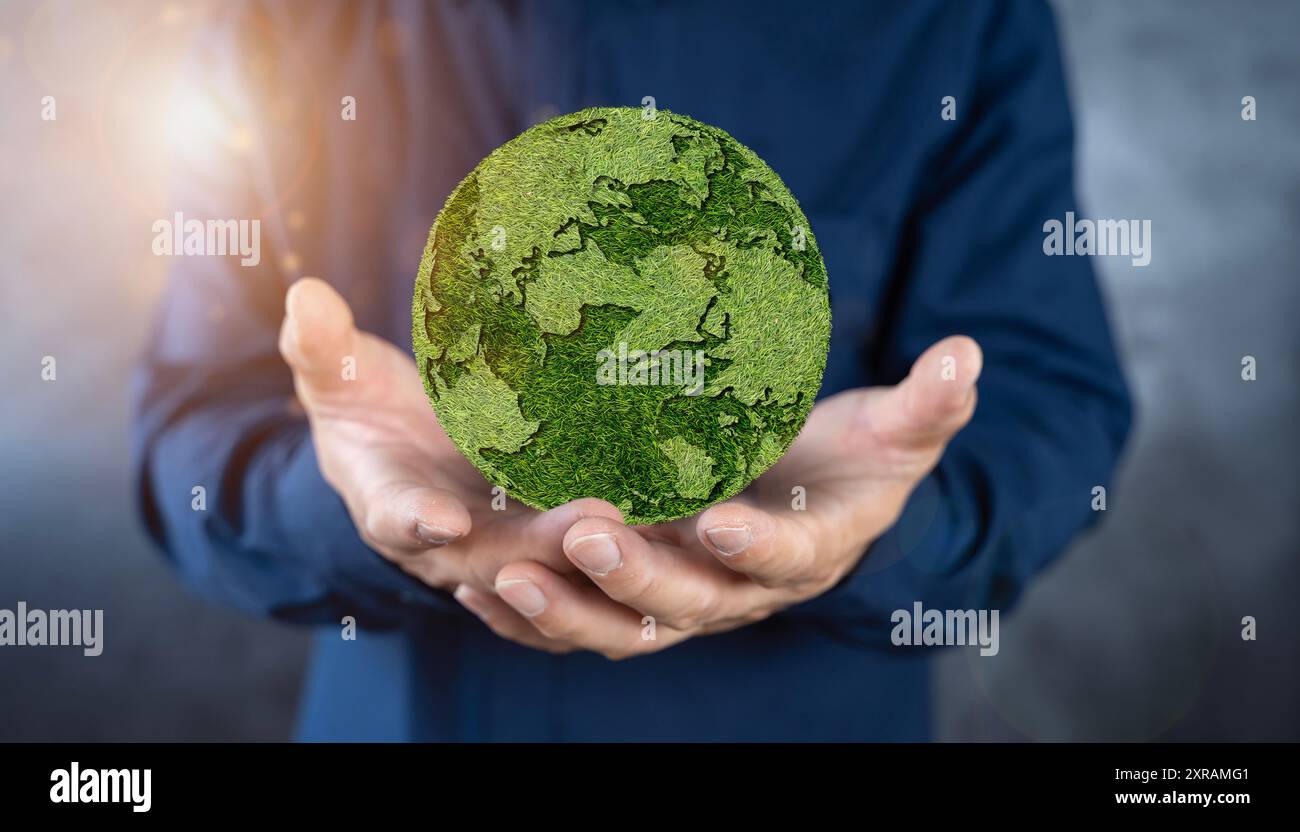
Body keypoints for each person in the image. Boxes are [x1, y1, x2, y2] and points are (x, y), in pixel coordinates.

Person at [132, 0, 1131, 741]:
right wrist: (340, 497)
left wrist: (888, 528)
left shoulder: (952, 20)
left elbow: (1050, 407)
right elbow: (185, 435)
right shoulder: (276, 28)